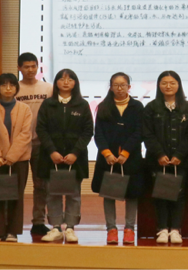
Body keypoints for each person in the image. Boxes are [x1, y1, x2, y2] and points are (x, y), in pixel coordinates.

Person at [35, 69, 93, 244]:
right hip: (51, 157)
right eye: (62, 79)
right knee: (52, 193)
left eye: (70, 79)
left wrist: (75, 152)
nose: (66, 82)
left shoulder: (82, 105)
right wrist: (52, 151)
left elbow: (88, 131)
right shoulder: (48, 104)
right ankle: (55, 228)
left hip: (75, 158)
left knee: (73, 194)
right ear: (56, 83)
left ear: (75, 83)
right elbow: (41, 129)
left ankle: (70, 228)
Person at [142, 70, 188, 245]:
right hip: (157, 160)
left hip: (182, 160)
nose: (168, 86)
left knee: (179, 194)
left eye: (172, 83)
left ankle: (176, 229)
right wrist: (159, 154)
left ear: (178, 85)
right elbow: (147, 134)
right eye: (164, 83)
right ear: (159, 86)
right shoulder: (151, 107)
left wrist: (179, 155)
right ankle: (162, 229)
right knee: (160, 194)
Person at [0, 73, 33, 242]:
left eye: (12, 85)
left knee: (16, 196)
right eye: (4, 85)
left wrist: (12, 156)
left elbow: (25, 135)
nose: (8, 88)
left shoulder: (25, 109)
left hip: (19, 160)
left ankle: (13, 232)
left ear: (16, 88)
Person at [91, 72, 144, 244]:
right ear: (111, 87)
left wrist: (125, 153)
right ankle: (111, 229)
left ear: (129, 87)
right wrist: (107, 153)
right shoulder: (104, 106)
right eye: (116, 85)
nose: (120, 88)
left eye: (123, 85)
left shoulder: (137, 107)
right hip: (108, 158)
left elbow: (139, 132)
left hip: (131, 158)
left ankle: (129, 228)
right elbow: (98, 133)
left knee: (132, 194)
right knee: (109, 194)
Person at [14, 52, 54, 236]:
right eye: (26, 67)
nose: (30, 70)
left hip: (41, 144)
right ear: (19, 68)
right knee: (16, 186)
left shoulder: (48, 88)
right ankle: (13, 223)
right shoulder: (14, 88)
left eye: (33, 66)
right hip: (19, 145)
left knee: (41, 185)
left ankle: (38, 221)